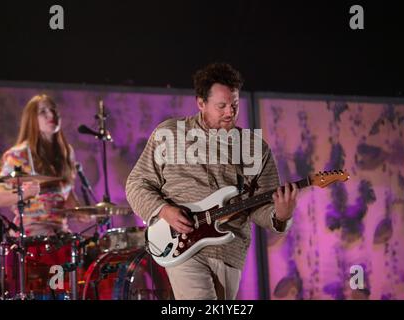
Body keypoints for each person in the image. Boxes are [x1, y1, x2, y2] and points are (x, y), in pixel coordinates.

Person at [126, 63, 298, 300]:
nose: (230, 112)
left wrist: (281, 215)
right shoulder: (170, 134)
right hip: (182, 246)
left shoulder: (255, 148)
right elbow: (136, 183)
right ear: (200, 103)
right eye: (222, 106)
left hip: (230, 249)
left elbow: (259, 207)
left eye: (234, 105)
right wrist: (164, 210)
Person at [0, 93, 79, 237]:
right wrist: (26, 194)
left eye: (54, 110)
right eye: (43, 112)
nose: (51, 115)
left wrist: (81, 211)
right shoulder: (18, 155)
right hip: (32, 234)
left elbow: (65, 194)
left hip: (60, 231)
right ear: (32, 119)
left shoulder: (66, 152)